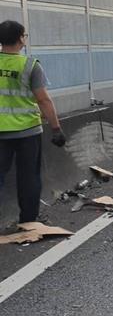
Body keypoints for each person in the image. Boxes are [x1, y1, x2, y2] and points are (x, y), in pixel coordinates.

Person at [0, 21, 65, 225]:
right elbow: (43, 100)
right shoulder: (30, 65)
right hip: (27, 132)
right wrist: (56, 128)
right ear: (21, 38)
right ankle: (28, 222)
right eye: (24, 36)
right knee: (29, 178)